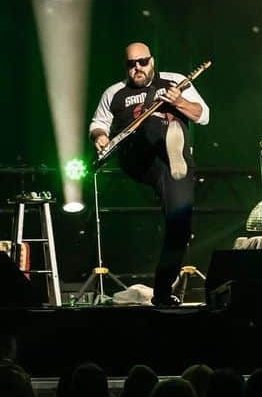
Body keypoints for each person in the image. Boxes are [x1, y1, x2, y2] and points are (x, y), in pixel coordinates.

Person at [89, 42, 210, 306]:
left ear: (152, 61)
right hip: (138, 158)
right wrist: (99, 137)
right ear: (126, 66)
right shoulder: (115, 93)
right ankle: (168, 139)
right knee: (150, 128)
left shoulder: (175, 81)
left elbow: (203, 115)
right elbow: (98, 124)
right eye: (132, 64)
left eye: (143, 62)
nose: (138, 68)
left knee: (179, 225)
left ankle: (163, 291)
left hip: (172, 167)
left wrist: (179, 101)